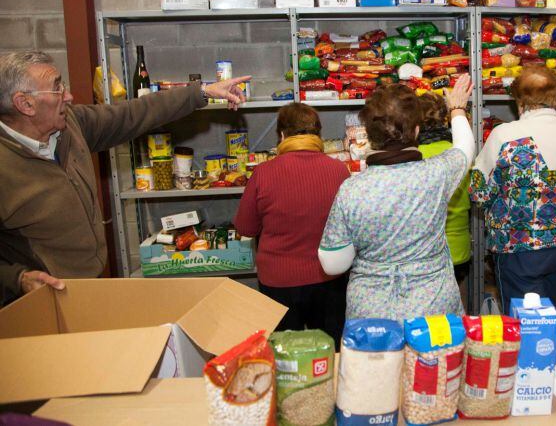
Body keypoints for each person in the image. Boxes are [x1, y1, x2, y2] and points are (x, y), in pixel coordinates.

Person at [0, 50, 247, 304]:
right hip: (37, 300)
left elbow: (133, 114)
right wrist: (17, 279)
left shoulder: (71, 125)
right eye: (57, 89)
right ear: (25, 104)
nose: (69, 96)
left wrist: (201, 92)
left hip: (90, 287)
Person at [317, 75, 475, 322]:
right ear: (416, 130)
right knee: (433, 362)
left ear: (368, 134)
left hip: (372, 315)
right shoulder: (437, 173)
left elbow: (332, 264)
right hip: (432, 310)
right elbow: (465, 148)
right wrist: (457, 108)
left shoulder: (352, 189)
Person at [469, 66, 556, 352]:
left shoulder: (506, 135)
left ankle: (527, 385)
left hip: (519, 247)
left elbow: (478, 190)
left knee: (524, 322)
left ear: (519, 102)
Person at [234, 103, 349, 346]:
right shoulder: (339, 171)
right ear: (318, 135)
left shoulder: (263, 173)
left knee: (286, 358)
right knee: (330, 352)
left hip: (278, 282)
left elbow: (246, 227)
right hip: (329, 280)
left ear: (282, 135)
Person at [416, 92, 472, 301]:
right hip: (459, 249)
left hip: (425, 253)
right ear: (445, 119)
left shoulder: (412, 156)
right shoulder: (461, 152)